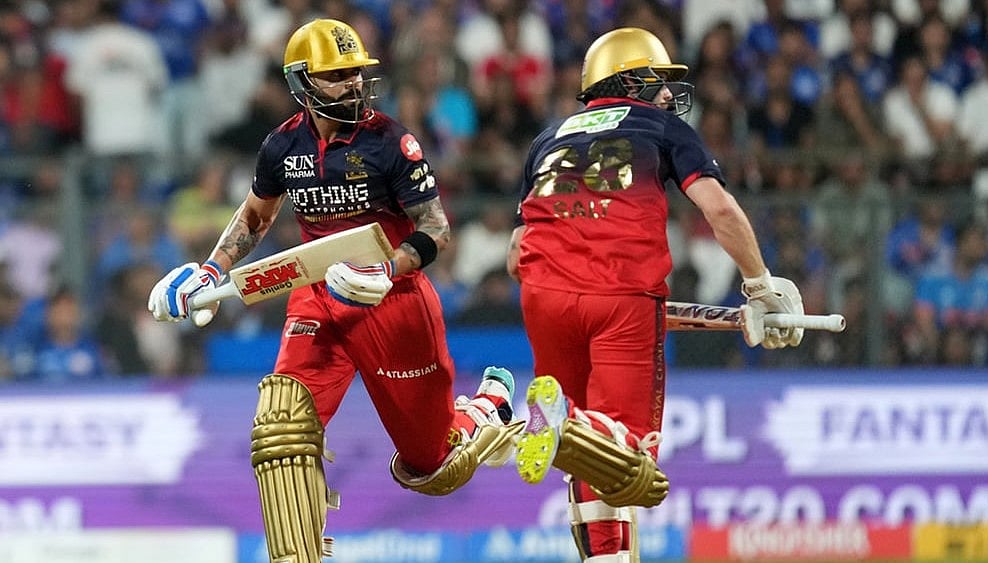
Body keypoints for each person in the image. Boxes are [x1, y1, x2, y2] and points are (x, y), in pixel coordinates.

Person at [147, 19, 523, 563]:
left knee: (433, 468)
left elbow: (438, 229)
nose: (352, 84)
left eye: (356, 73)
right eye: (337, 75)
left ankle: (485, 410)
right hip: (316, 293)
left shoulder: (392, 141)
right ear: (302, 82)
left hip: (391, 302)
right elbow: (256, 216)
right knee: (282, 424)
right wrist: (209, 271)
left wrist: (387, 271)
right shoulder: (282, 144)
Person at [506, 27, 805, 561]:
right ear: (626, 81)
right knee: (630, 457)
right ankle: (567, 422)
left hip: (542, 295)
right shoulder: (663, 127)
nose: (668, 95)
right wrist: (760, 283)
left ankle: (605, 553)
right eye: (657, 81)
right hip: (622, 297)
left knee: (584, 459)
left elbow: (514, 255)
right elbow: (719, 210)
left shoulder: (547, 138)